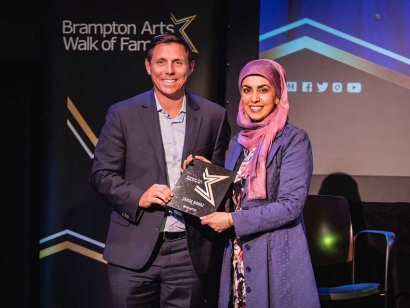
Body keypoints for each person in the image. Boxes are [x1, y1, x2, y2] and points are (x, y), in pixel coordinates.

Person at [89, 33, 231, 308]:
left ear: (190, 67)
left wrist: (205, 173)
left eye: (177, 62)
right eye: (161, 62)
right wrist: (138, 196)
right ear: (148, 66)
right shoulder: (123, 113)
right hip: (133, 248)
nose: (169, 70)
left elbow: (221, 179)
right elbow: (101, 174)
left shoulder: (214, 115)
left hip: (188, 252)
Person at [195, 59, 320, 307]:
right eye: (247, 90)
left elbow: (290, 206)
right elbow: (230, 200)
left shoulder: (293, 140)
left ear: (278, 95)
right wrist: (202, 173)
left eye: (263, 90)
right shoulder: (236, 143)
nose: (254, 98)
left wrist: (233, 221)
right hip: (237, 254)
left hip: (275, 255)